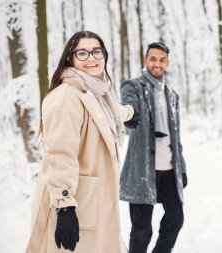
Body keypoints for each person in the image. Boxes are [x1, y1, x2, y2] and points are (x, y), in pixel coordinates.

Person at [26, 31, 134, 253]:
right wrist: (64, 206)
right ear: (71, 58)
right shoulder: (66, 97)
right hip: (76, 204)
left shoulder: (98, 93)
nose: (91, 58)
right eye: (82, 53)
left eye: (96, 51)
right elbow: (59, 153)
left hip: (94, 202)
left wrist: (130, 113)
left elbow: (105, 115)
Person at [120, 42, 187, 253]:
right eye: (153, 59)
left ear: (166, 62)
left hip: (168, 170)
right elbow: (129, 106)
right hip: (142, 171)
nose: (157, 64)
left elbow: (176, 137)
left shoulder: (172, 94)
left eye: (161, 60)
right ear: (145, 60)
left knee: (176, 218)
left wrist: (182, 169)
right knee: (141, 231)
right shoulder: (133, 87)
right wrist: (130, 115)